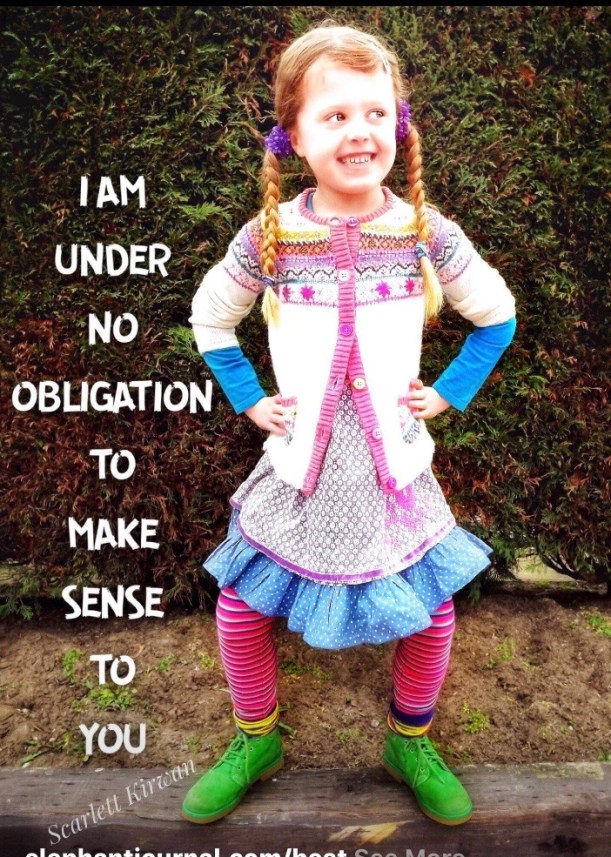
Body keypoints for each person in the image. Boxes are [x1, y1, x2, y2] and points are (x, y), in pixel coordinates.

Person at [182, 22, 516, 827]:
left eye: (375, 113)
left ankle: (409, 738)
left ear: (397, 126)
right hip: (296, 468)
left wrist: (448, 391)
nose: (359, 131)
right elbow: (209, 317)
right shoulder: (268, 238)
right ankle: (255, 736)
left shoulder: (423, 233)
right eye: (334, 116)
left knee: (431, 610)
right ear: (294, 137)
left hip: (391, 470)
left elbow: (495, 315)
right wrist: (249, 399)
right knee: (240, 604)